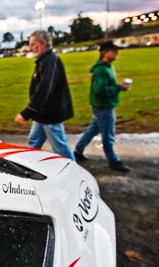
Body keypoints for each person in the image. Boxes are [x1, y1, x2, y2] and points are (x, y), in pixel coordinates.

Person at [14, 30, 75, 160]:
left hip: (50, 114)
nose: (31, 48)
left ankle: (75, 172)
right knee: (34, 143)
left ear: (43, 43)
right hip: (41, 114)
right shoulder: (43, 61)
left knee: (60, 147)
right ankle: (30, 167)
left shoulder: (50, 61)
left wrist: (26, 113)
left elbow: (44, 89)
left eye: (33, 44)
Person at [74, 40, 131, 172]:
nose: (117, 53)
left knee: (93, 129)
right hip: (103, 107)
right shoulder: (101, 70)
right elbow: (100, 91)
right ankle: (113, 160)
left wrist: (118, 87)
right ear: (105, 53)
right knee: (108, 135)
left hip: (102, 105)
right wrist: (119, 88)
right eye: (114, 50)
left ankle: (78, 151)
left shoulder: (108, 67)